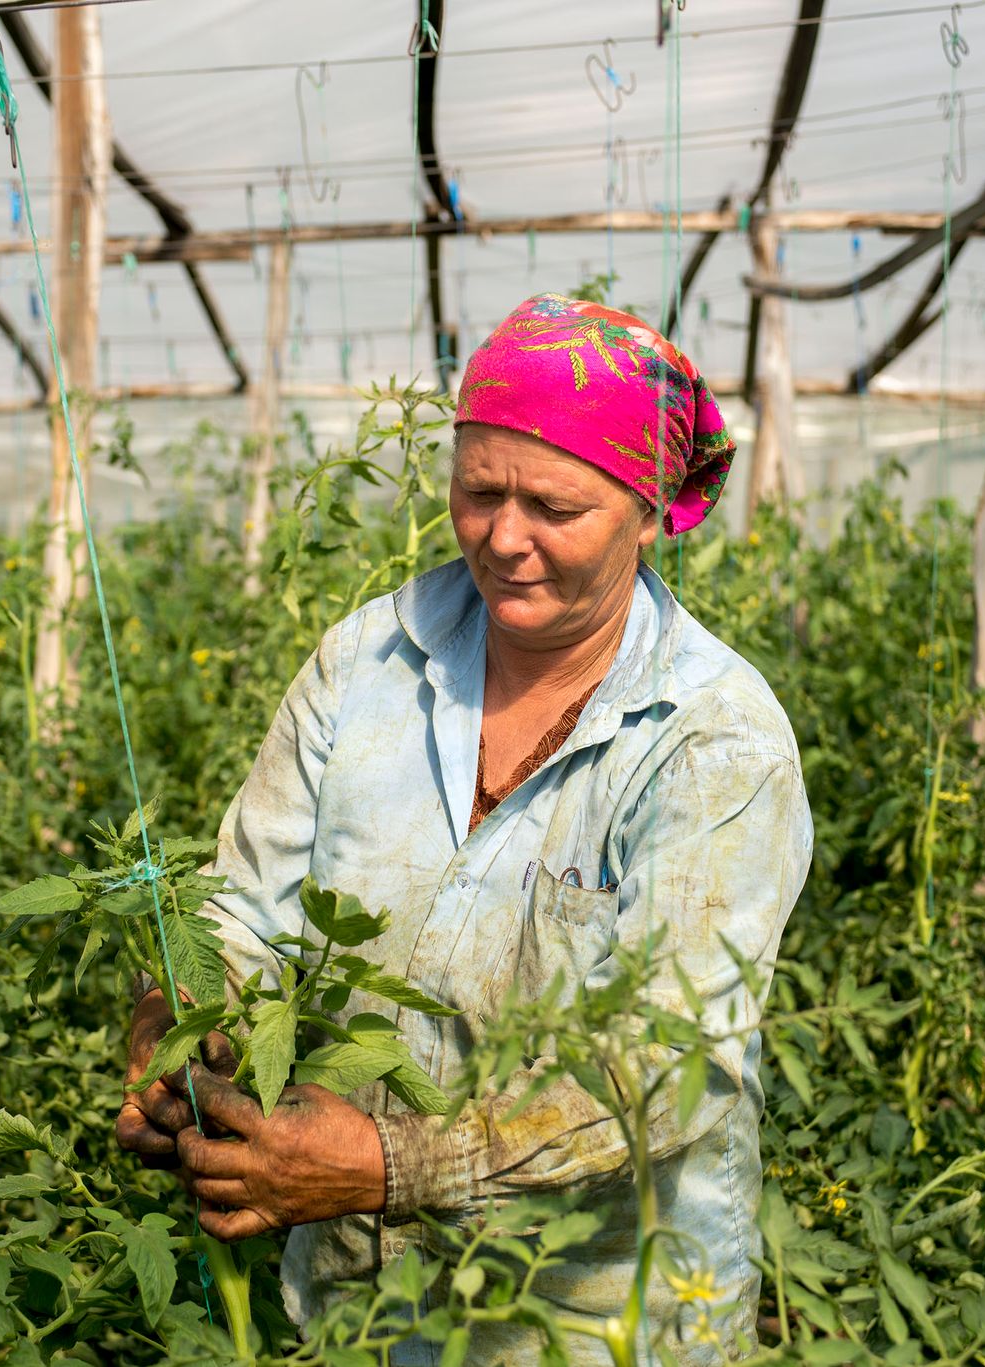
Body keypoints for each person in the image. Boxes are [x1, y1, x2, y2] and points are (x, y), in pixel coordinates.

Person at [117, 293, 812, 1363]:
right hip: (359, 1306)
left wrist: (390, 1165)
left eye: (554, 506)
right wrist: (182, 1039)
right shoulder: (365, 664)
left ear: (644, 508)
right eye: (477, 489)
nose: (502, 536)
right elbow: (242, 913)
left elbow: (670, 1066)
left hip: (594, 1318)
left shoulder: (713, 741)